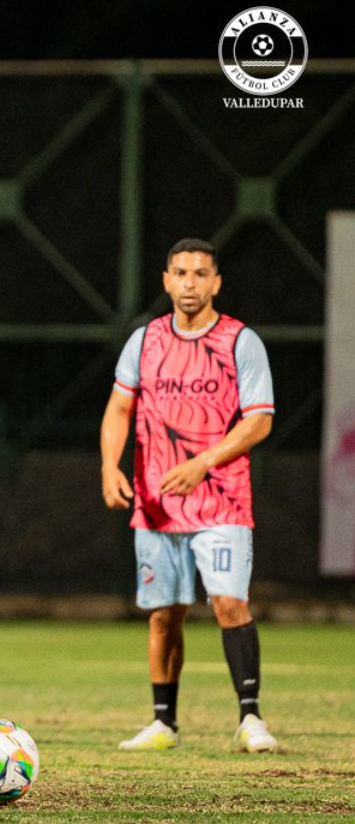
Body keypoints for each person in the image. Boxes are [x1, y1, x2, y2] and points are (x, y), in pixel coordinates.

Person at [100, 238, 278, 753]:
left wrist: (204, 463)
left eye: (201, 274)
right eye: (180, 273)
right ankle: (164, 723)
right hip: (156, 503)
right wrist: (110, 466)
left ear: (216, 283)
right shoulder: (145, 341)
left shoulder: (240, 342)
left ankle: (251, 718)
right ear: (166, 280)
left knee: (228, 602)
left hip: (221, 498)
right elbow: (118, 409)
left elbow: (260, 420)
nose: (190, 284)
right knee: (164, 613)